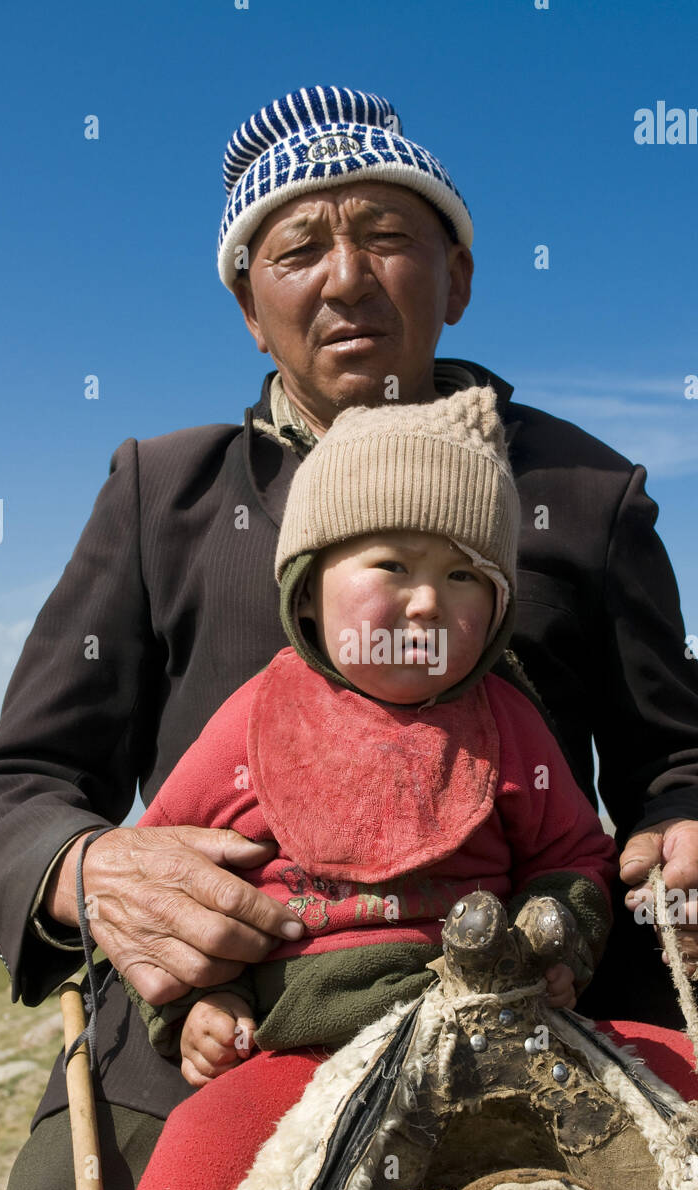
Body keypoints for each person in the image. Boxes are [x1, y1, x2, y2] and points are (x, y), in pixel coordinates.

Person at [0, 84, 698, 1190]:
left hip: (547, 996)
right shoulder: (164, 495)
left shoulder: (578, 489)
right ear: (249, 307)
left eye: (387, 234)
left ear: (458, 277)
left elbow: (681, 757)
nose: (345, 276)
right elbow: (11, 787)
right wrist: (86, 873)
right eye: (298, 247)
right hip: (235, 1032)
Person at [122, 386, 618, 1091]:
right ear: (306, 589)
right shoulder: (252, 720)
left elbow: (570, 856)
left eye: (463, 576)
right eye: (392, 565)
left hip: (491, 1030)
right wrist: (204, 1002)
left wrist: (557, 943)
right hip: (293, 1054)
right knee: (194, 1167)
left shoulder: (507, 723)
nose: (426, 601)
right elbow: (160, 880)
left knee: (684, 1086)